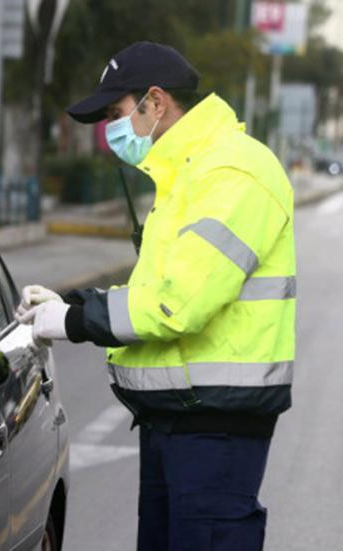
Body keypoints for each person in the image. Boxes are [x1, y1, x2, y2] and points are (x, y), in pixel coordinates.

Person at [17, 41, 295, 551]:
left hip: (216, 426)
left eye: (115, 113)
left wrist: (73, 324)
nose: (110, 130)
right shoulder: (185, 176)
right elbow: (155, 290)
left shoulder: (232, 172)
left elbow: (178, 303)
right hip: (177, 418)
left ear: (155, 102)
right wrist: (75, 304)